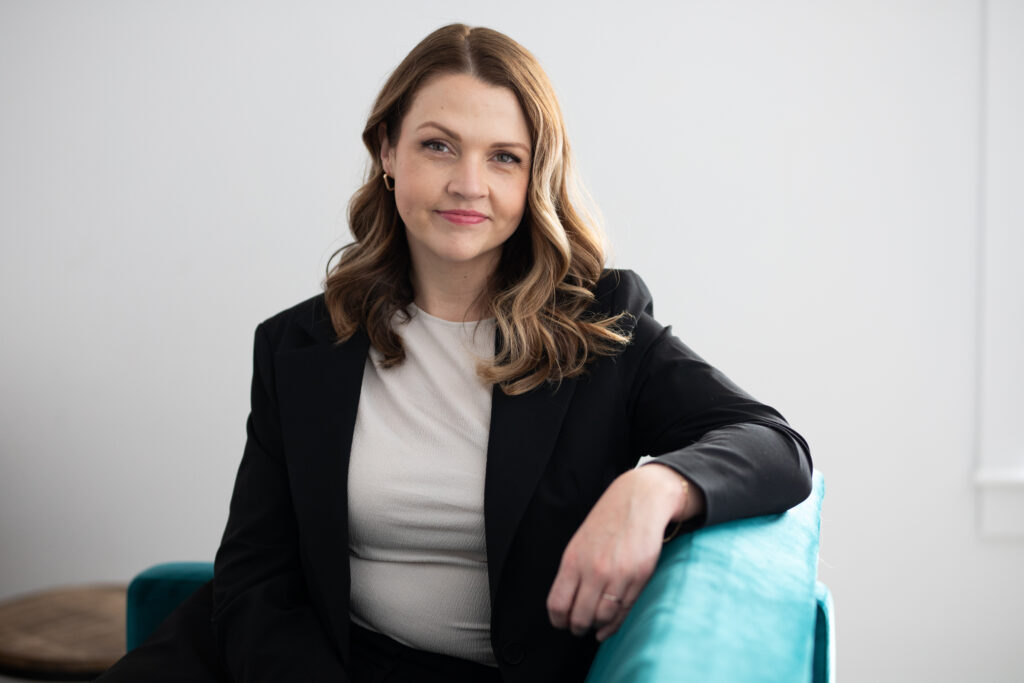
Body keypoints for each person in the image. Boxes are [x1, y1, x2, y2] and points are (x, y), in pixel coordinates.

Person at [98, 23, 811, 683]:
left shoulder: (602, 326)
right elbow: (256, 574)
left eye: (504, 157)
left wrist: (653, 488)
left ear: (533, 177)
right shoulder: (298, 344)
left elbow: (774, 445)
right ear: (387, 150)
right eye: (439, 145)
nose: (470, 184)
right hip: (294, 659)